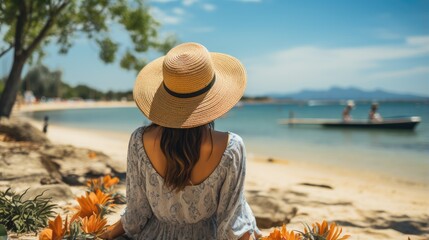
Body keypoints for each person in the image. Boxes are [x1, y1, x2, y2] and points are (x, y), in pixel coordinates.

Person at [100, 42, 261, 240]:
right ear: (212, 96)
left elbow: (136, 214)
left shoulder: (139, 140)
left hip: (154, 236)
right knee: (242, 208)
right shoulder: (231, 146)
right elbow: (232, 222)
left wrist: (106, 235)